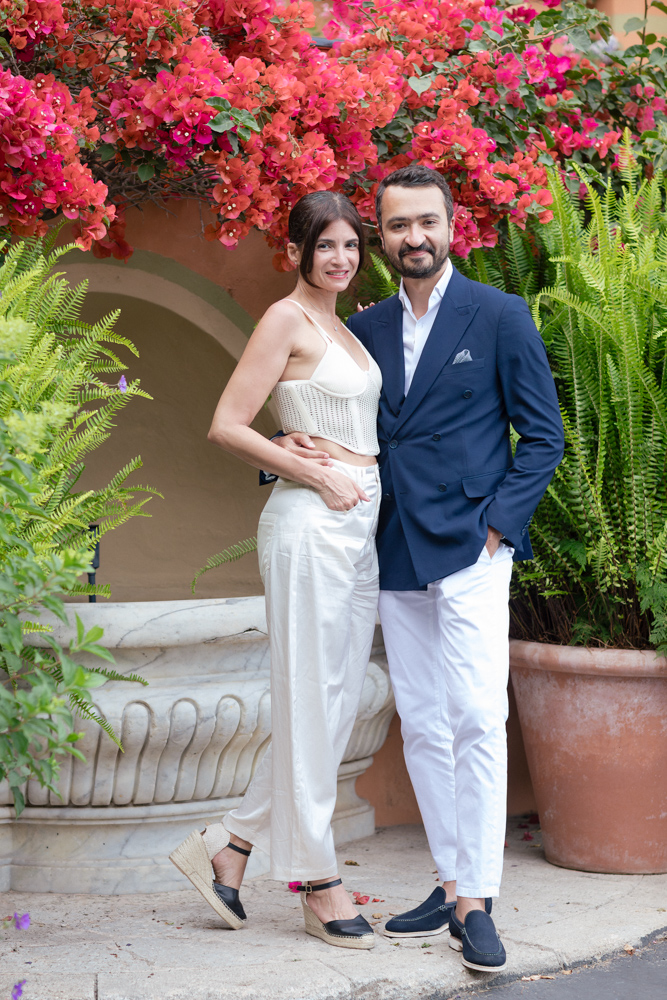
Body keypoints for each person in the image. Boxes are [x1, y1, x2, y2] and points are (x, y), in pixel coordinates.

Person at [273, 165, 564, 972]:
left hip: (471, 548)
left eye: (425, 222)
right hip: (395, 545)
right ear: (382, 235)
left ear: (450, 226)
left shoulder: (497, 315)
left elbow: (542, 436)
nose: (414, 237)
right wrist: (291, 449)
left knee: (476, 716)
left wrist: (498, 529)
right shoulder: (362, 330)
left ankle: (478, 901)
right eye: (398, 225)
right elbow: (339, 421)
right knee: (426, 724)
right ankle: (448, 880)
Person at [169, 190, 382, 950]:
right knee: (311, 698)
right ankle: (318, 882)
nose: (340, 258)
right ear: (295, 252)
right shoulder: (285, 319)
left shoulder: (344, 327)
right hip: (311, 523)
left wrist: (325, 467)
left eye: (350, 245)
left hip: (359, 522)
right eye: (325, 245)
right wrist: (313, 472)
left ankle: (228, 846)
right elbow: (227, 424)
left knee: (333, 702)